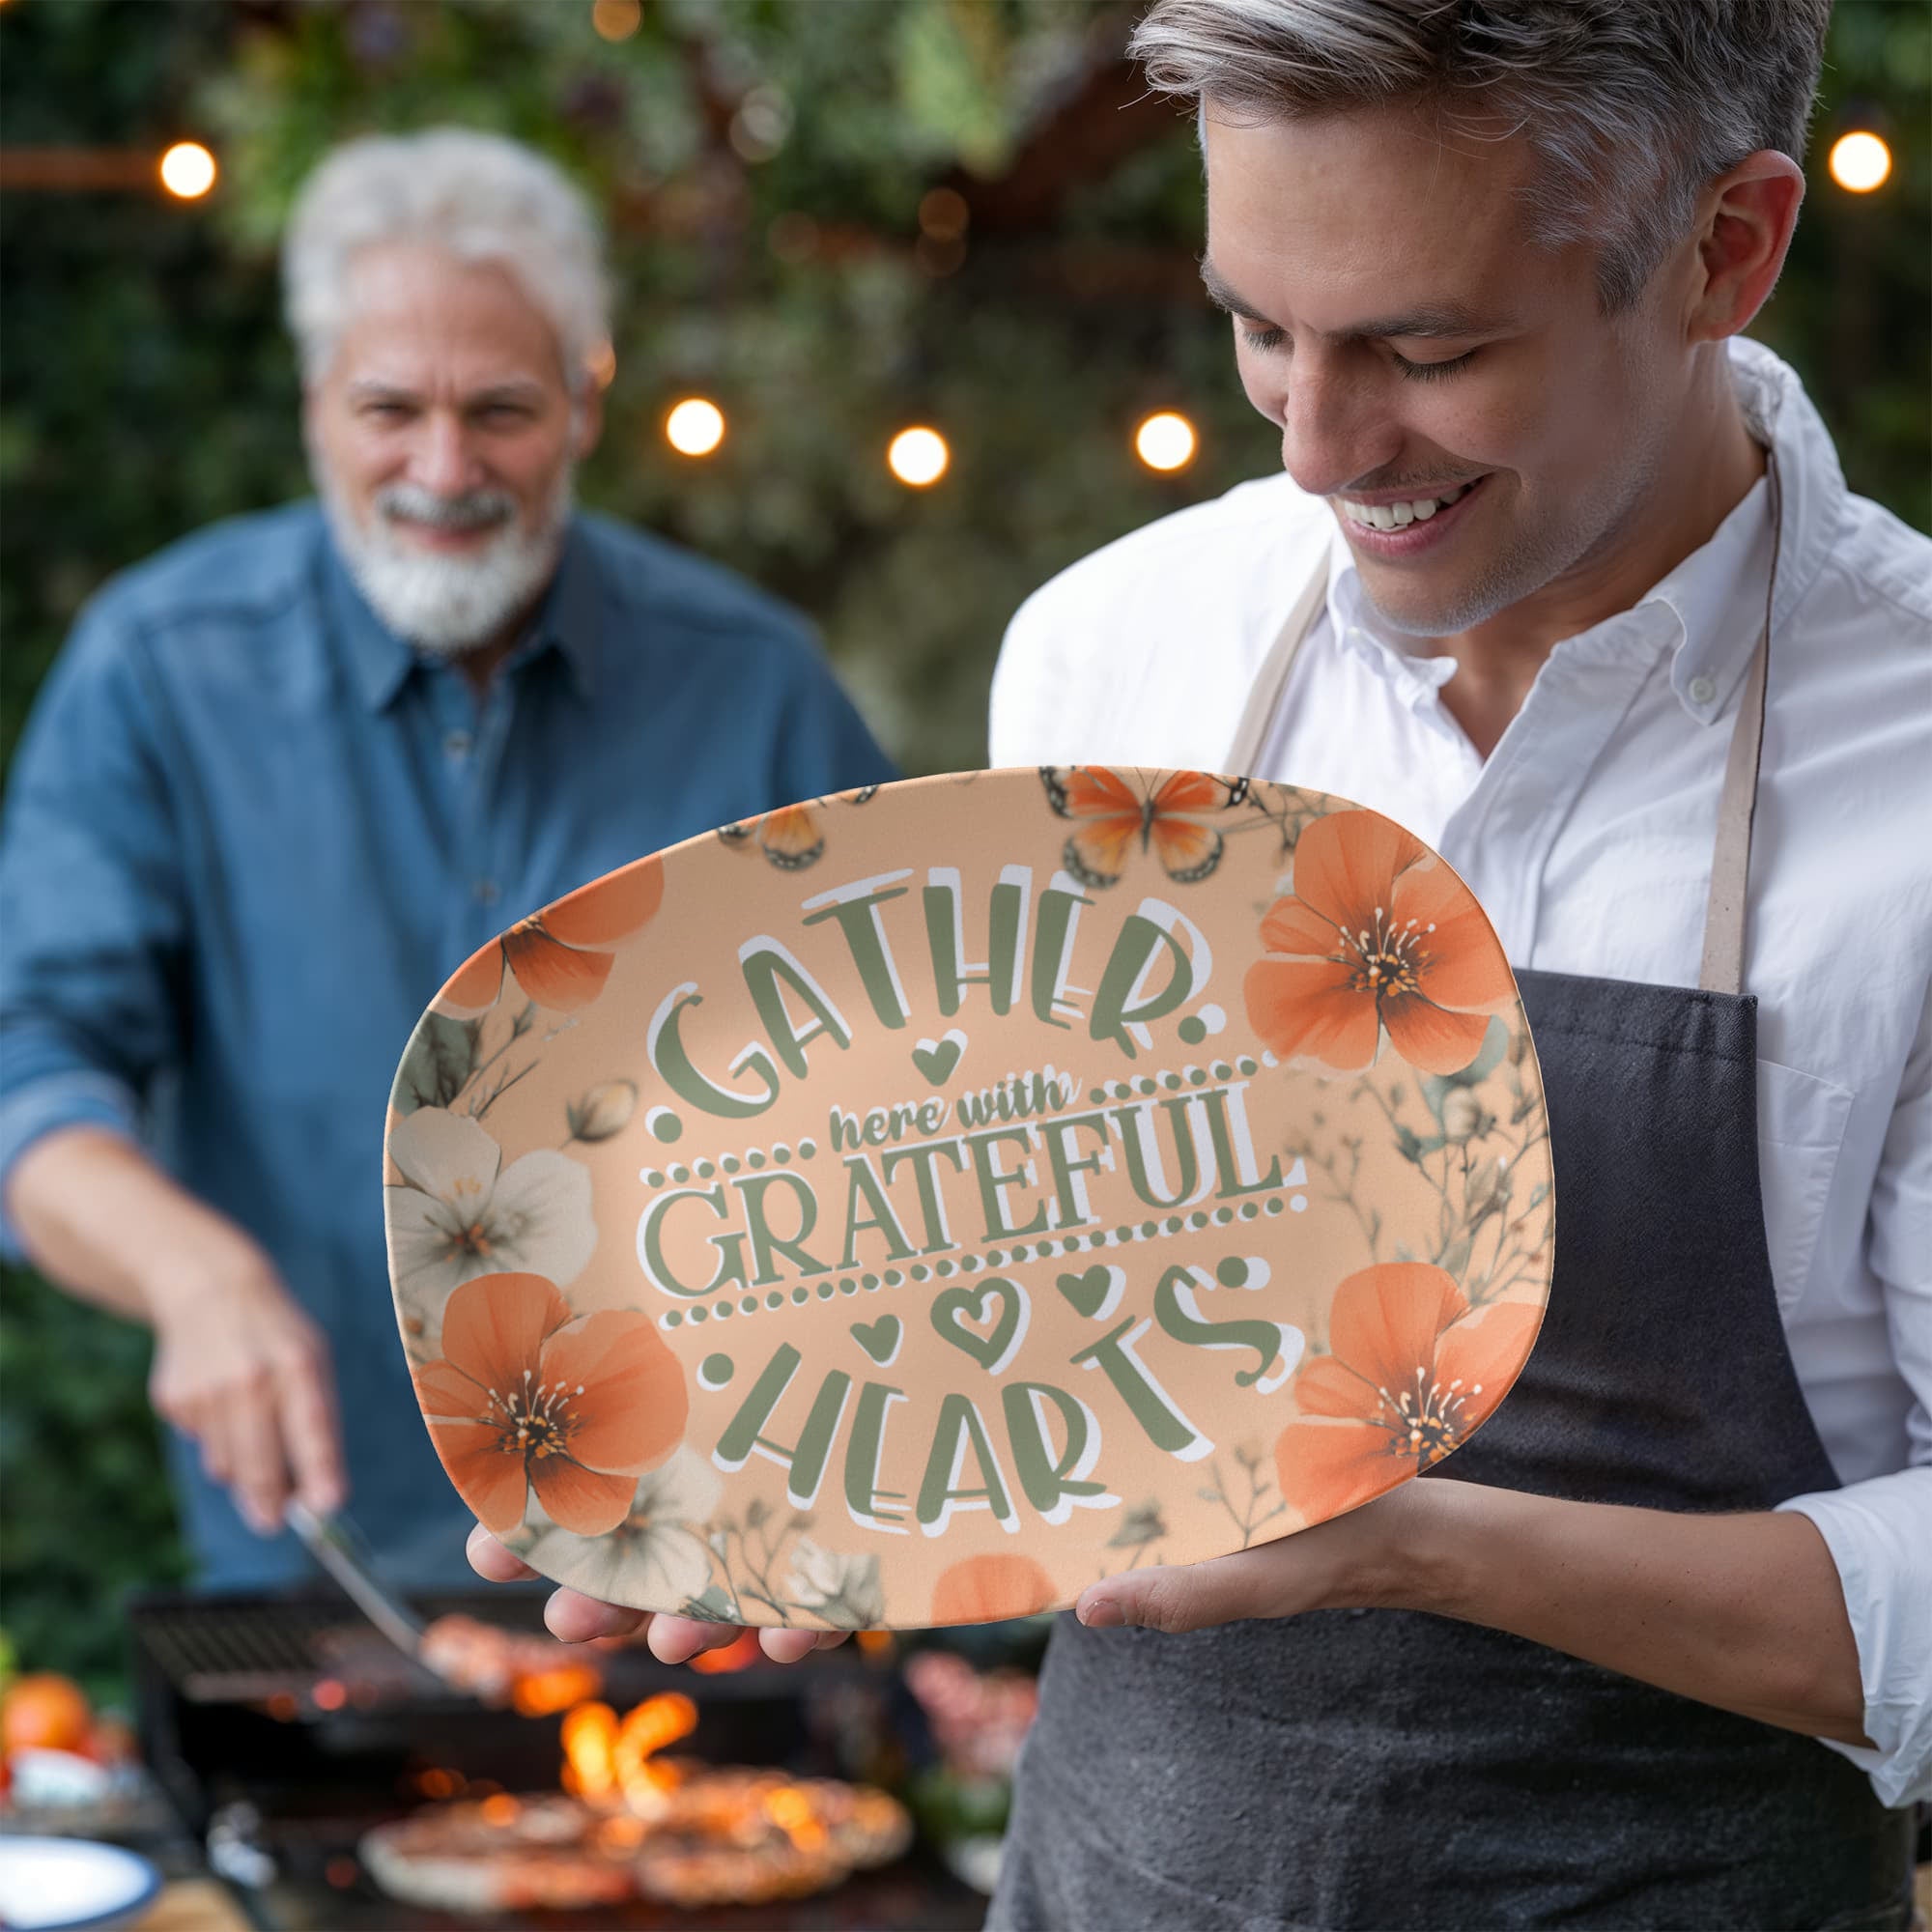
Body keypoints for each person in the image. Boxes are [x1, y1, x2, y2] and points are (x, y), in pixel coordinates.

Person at [471, 3, 1932, 1925]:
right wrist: (818, 1492)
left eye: (1427, 348)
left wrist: (1410, 1547)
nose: (1321, 448)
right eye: (1258, 327)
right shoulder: (1118, 649)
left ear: (1725, 250)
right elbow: (1024, 1312)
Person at [0, 128, 895, 1593]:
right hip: (314, 1570)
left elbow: (921, 1070)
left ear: (588, 401)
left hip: (709, 1566)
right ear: (312, 406)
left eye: (500, 410)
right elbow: (30, 1074)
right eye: (388, 408)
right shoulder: (159, 669)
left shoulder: (759, 687)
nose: (443, 466)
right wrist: (190, 1271)